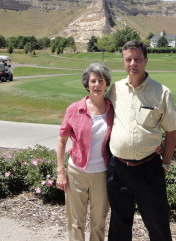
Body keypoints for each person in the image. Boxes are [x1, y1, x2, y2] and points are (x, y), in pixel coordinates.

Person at [106, 40, 176, 241]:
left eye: (137, 59)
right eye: (128, 59)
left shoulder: (161, 92)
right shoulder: (115, 89)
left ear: (145, 61)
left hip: (148, 168)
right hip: (118, 168)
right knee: (119, 223)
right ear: (123, 62)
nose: (133, 64)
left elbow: (171, 131)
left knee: (157, 222)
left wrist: (165, 163)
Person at [56, 63, 114, 241]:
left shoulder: (112, 110)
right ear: (87, 84)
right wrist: (61, 172)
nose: (97, 85)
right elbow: (61, 140)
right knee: (76, 221)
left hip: (101, 174)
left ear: (106, 84)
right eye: (93, 81)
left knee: (98, 222)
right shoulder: (74, 109)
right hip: (77, 173)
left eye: (101, 81)